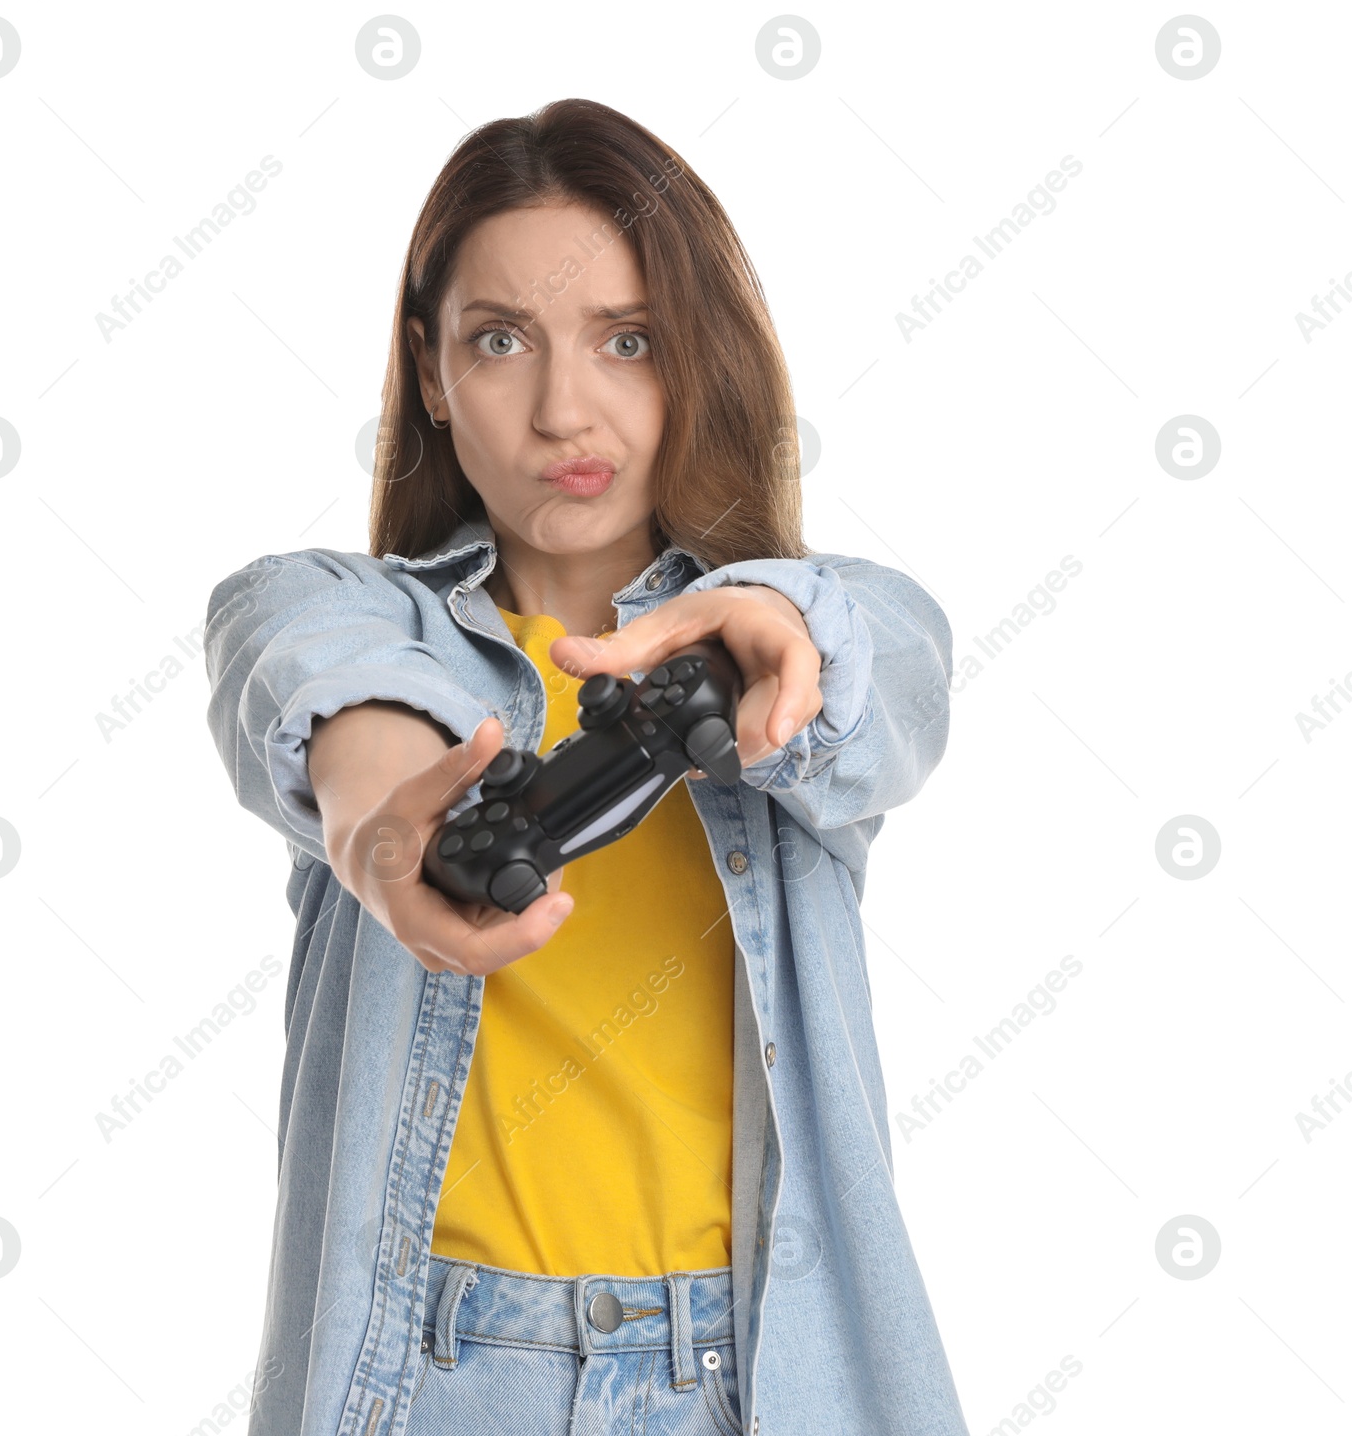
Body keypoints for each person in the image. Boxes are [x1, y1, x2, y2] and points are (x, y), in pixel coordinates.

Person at [203, 98, 969, 1436]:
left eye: (628, 340)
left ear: (699, 358)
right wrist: (388, 827)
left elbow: (885, 669)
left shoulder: (807, 630)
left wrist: (772, 641)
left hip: (747, 1375)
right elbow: (325, 687)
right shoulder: (338, 612)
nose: (566, 407)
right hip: (434, 1368)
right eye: (501, 342)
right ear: (433, 375)